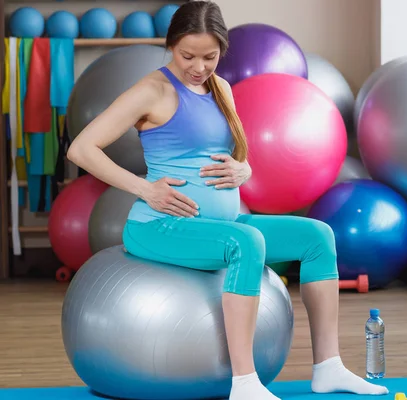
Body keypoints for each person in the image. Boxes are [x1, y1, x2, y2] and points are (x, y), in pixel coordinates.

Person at [66, 1, 389, 399]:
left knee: (318, 236)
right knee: (247, 242)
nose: (199, 67)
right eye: (188, 55)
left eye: (210, 56)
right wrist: (145, 188)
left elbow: (236, 154)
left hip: (222, 223)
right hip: (160, 226)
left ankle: (328, 366)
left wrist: (244, 170)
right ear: (171, 46)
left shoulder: (220, 88)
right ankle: (245, 382)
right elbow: (82, 149)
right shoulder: (153, 90)